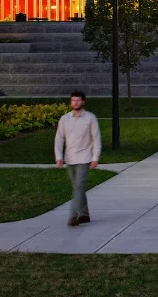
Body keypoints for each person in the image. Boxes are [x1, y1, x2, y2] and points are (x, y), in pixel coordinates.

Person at [54, 91, 101, 227]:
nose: (75, 103)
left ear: (83, 102)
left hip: (85, 157)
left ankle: (73, 215)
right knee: (77, 187)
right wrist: (59, 157)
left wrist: (95, 157)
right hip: (70, 157)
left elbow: (96, 139)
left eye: (78, 100)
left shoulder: (90, 118)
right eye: (73, 100)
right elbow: (59, 138)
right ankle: (84, 214)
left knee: (79, 186)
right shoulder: (64, 119)